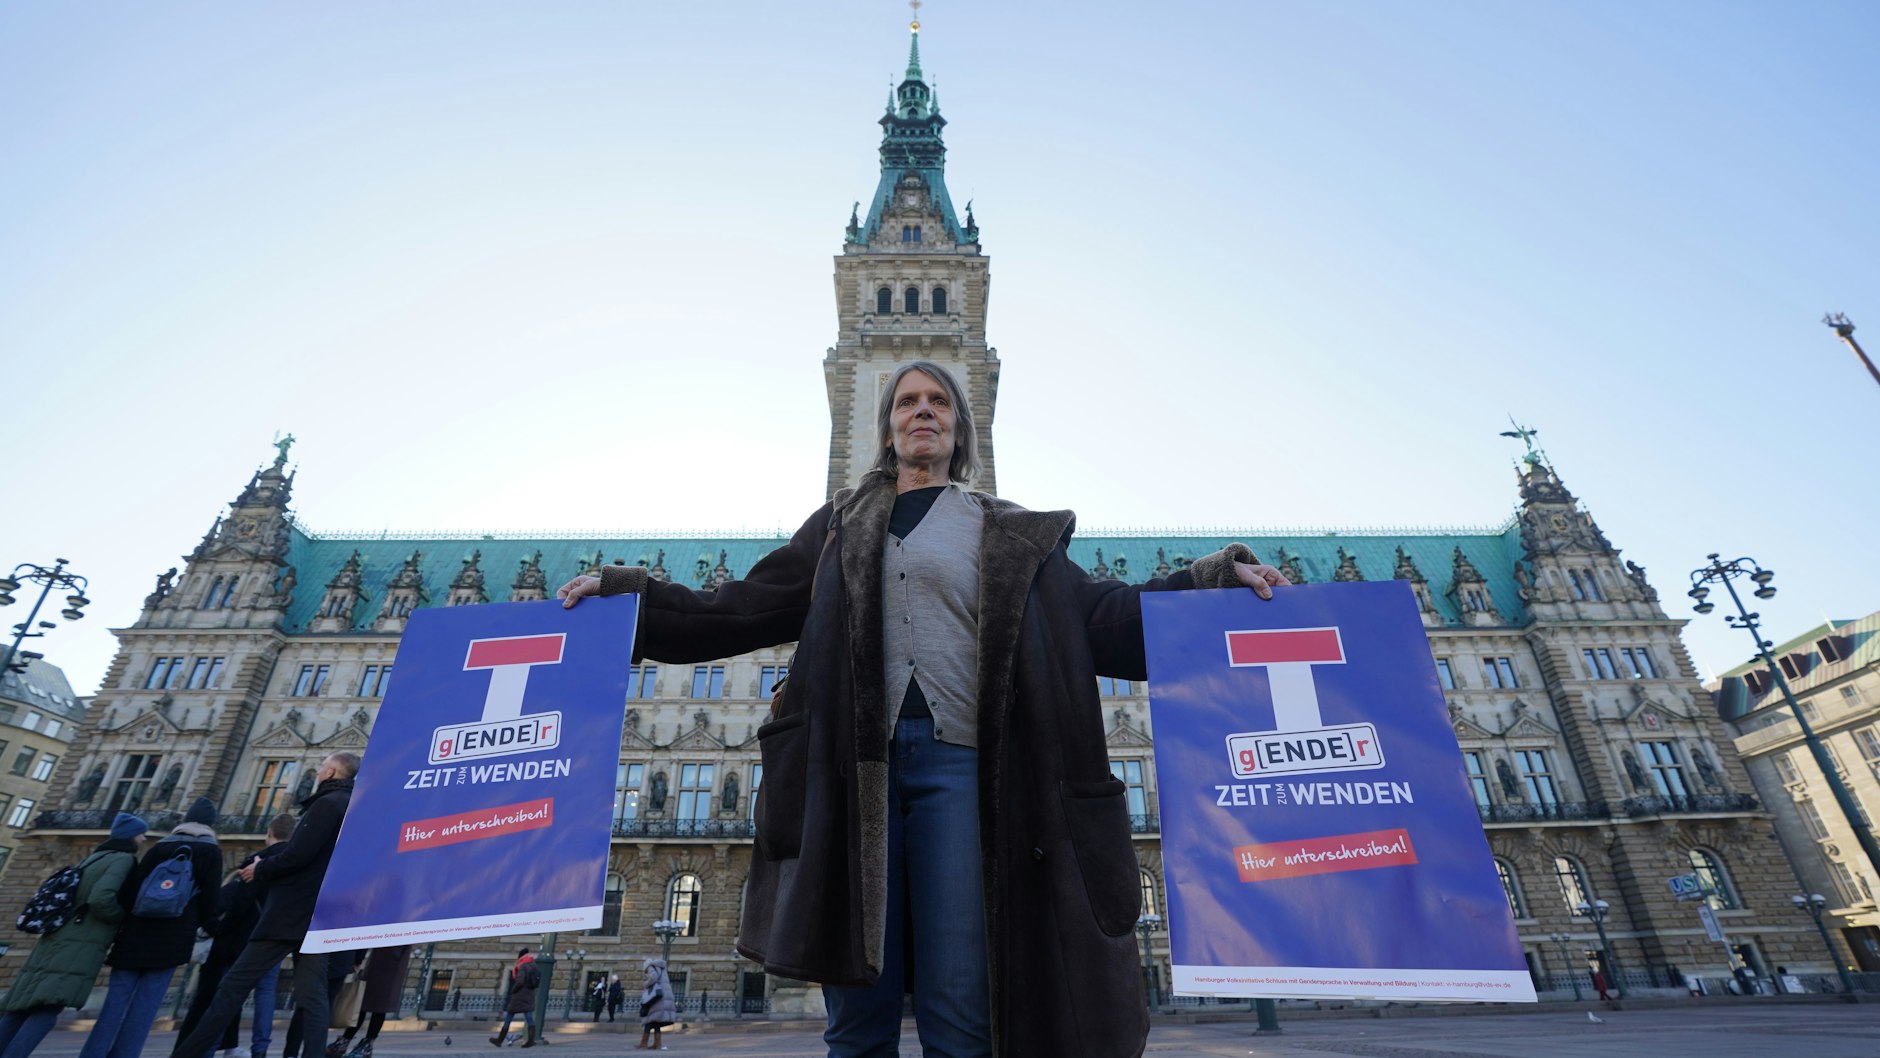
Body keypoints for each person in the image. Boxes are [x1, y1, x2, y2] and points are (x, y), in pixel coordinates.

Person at [558, 360, 1288, 1058]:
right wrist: (635, 602)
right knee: (856, 1013)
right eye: (907, 403)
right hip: (852, 778)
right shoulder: (838, 527)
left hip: (959, 771)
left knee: (960, 1004)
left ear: (961, 433)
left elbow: (1107, 616)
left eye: (938, 403)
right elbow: (737, 609)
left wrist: (1213, 584)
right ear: (887, 430)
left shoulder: (1008, 533)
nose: (923, 413)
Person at [170, 753, 358, 1058]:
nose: (319, 770)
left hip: (291, 912)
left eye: (322, 765)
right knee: (313, 998)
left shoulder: (327, 803)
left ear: (331, 772)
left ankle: (187, 1053)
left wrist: (262, 868)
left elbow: (298, 855)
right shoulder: (351, 806)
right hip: (319, 912)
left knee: (233, 986)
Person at [81, 798, 223, 1058]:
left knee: (113, 1005)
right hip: (172, 940)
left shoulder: (160, 847)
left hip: (135, 935)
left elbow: (130, 892)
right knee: (145, 1009)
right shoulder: (211, 852)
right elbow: (211, 902)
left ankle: (93, 1053)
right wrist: (214, 929)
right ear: (211, 824)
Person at [0, 814, 146, 1058]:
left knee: (20, 1008)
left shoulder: (93, 857)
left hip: (56, 936)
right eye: (141, 833)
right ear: (131, 835)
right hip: (81, 941)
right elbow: (101, 898)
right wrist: (119, 915)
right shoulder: (122, 859)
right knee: (48, 1008)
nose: (143, 838)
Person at [177, 814, 296, 1058]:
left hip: (244, 939)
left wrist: (221, 929)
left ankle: (210, 1047)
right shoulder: (292, 864)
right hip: (276, 936)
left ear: (269, 833)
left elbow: (238, 901)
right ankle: (260, 1048)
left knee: (229, 993)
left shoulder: (257, 860)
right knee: (265, 993)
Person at [326, 945, 412, 1058]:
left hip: (393, 956)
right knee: (363, 1003)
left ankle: (364, 1044)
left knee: (380, 1005)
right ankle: (347, 1041)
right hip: (381, 953)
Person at [489, 949, 540, 1048]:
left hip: (519, 995)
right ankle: (531, 1040)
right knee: (529, 1016)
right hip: (529, 994)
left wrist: (513, 990)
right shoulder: (534, 966)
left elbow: (520, 981)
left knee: (509, 1016)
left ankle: (500, 1040)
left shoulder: (523, 966)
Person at [636, 960, 674, 1051]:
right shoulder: (661, 968)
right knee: (656, 1022)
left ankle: (643, 1043)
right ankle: (657, 1043)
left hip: (655, 999)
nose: (646, 973)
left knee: (648, 1021)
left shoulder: (650, 967)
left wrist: (645, 984)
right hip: (662, 998)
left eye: (645, 972)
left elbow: (653, 977)